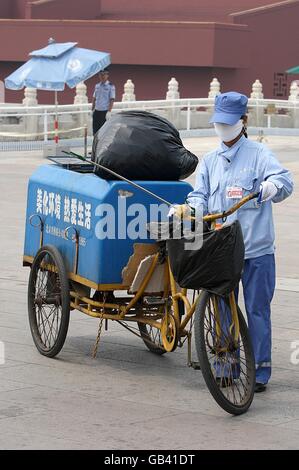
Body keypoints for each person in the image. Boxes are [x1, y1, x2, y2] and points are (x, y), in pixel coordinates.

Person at [184, 91, 293, 393]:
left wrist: (271, 187)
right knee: (221, 308)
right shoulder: (210, 161)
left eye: (229, 122)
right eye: (219, 122)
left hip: (256, 250)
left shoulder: (259, 155)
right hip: (221, 250)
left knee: (257, 309)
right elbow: (199, 195)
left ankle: (259, 371)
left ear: (243, 122)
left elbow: (285, 181)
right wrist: (190, 207)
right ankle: (226, 367)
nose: (223, 128)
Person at [92, 69, 115, 135]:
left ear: (107, 75)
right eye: (100, 74)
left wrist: (109, 111)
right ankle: (95, 144)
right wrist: (92, 109)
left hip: (104, 112)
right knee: (95, 131)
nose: (102, 76)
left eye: (104, 74)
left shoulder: (110, 86)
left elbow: (112, 99)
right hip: (96, 111)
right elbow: (94, 98)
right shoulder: (97, 86)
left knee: (103, 132)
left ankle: (102, 145)